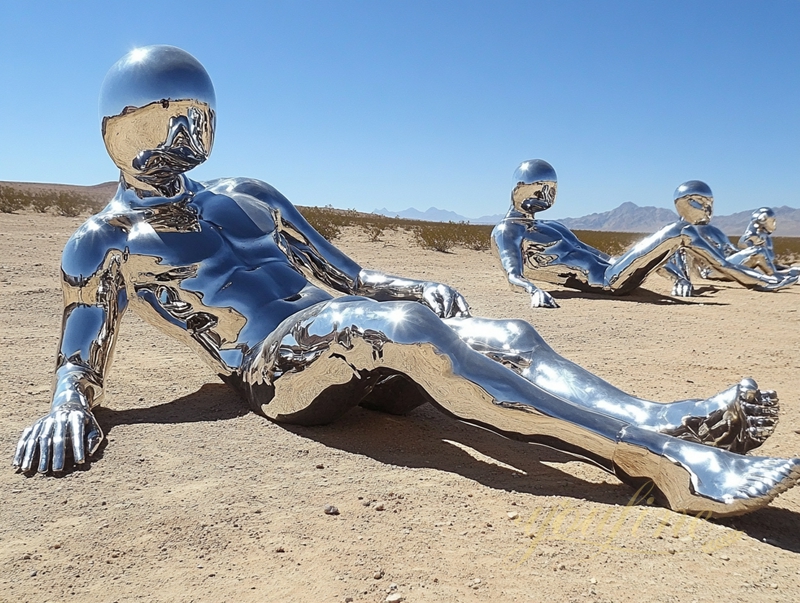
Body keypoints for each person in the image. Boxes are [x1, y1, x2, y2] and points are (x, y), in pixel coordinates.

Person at [13, 46, 799, 518]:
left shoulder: (250, 193)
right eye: (168, 116)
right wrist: (64, 408)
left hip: (351, 326)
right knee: (395, 327)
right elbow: (82, 352)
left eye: (200, 116)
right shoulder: (103, 241)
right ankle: (663, 465)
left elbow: (350, 274)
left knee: (505, 335)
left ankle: (667, 417)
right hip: (275, 368)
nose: (190, 134)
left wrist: (418, 284)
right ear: (120, 124)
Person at [491, 161, 797, 308]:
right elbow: (512, 275)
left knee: (672, 237)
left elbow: (600, 255)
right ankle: (760, 282)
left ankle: (761, 280)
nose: (548, 195)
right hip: (607, 282)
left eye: (553, 189)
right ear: (520, 188)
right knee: (679, 231)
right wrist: (534, 292)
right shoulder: (507, 231)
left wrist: (663, 271)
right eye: (542, 188)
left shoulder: (553, 226)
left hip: (614, 270)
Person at [661, 185, 799, 296]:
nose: (708, 208)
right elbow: (672, 256)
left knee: (756, 252)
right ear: (684, 204)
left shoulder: (714, 230)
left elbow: (730, 250)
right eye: (700, 202)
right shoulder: (680, 231)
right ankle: (770, 279)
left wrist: (741, 254)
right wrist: (681, 280)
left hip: (724, 264)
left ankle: (772, 277)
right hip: (709, 270)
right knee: (756, 252)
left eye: (710, 203)